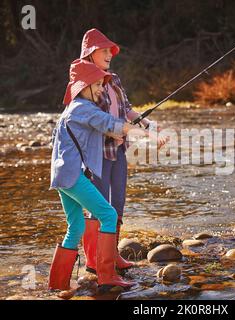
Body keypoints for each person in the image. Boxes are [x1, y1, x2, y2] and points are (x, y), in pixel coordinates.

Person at [48, 59, 165, 291]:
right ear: (85, 86)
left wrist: (119, 132)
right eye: (98, 84)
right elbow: (113, 123)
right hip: (72, 176)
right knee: (109, 215)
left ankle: (57, 284)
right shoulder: (84, 108)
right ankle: (107, 275)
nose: (102, 88)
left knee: (75, 226)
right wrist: (148, 133)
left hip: (61, 175)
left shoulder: (72, 108)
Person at [79, 28, 156, 274]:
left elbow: (126, 109)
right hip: (97, 153)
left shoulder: (114, 77)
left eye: (110, 50)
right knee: (98, 206)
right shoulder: (84, 82)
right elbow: (87, 117)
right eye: (103, 50)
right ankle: (94, 261)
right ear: (90, 54)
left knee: (118, 204)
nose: (109, 54)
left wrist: (145, 123)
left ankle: (112, 255)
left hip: (119, 149)